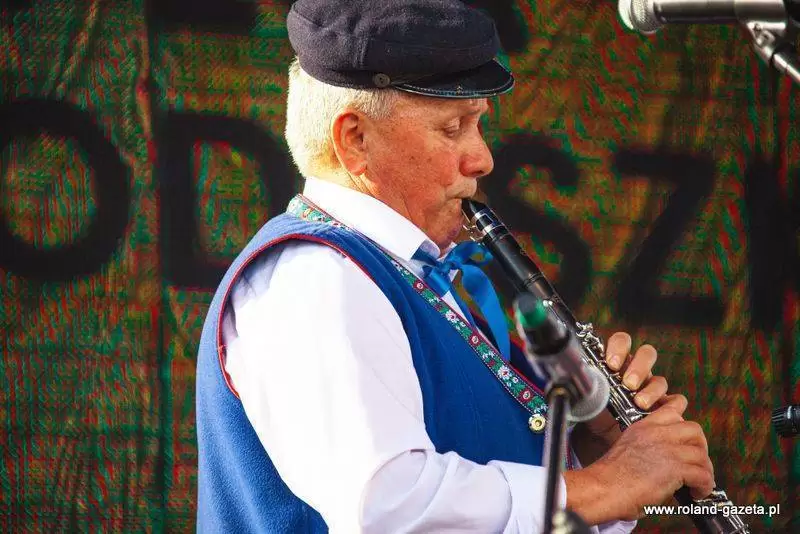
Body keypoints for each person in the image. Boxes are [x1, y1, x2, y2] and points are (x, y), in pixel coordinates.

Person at [195, 0, 716, 532]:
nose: (482, 158)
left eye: (478, 124)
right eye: (452, 128)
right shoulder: (315, 278)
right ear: (355, 140)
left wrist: (590, 449)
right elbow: (389, 508)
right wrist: (608, 485)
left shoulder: (405, 275)